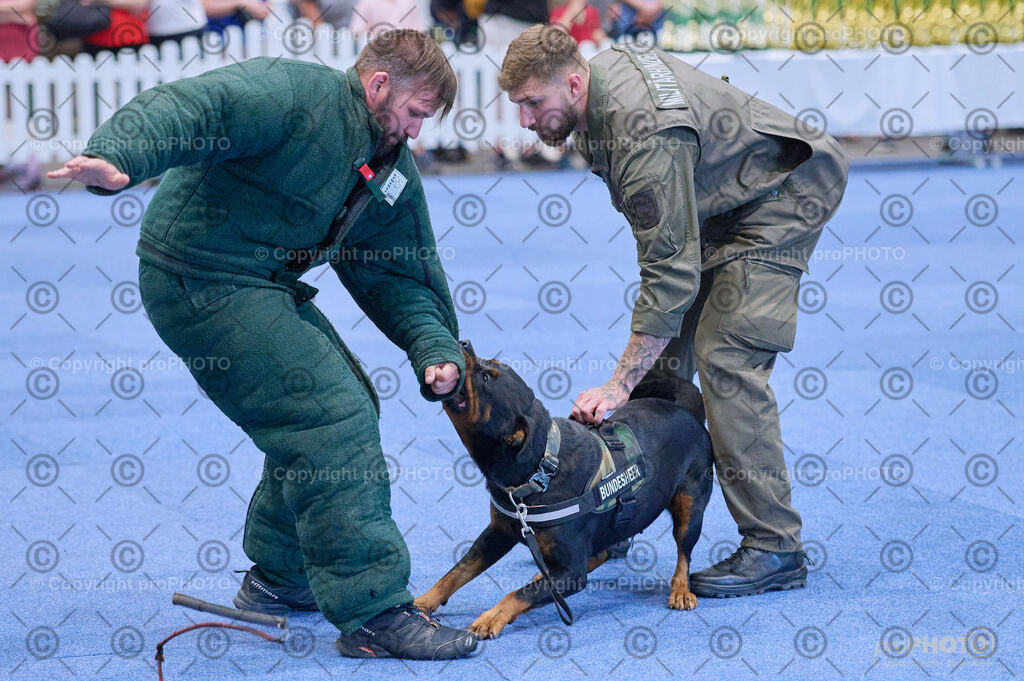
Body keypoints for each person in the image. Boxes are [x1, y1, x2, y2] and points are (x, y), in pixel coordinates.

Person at [48, 29, 479, 660]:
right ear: (379, 84)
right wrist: (121, 156)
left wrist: (433, 346)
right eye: (416, 113)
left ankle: (280, 579)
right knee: (330, 414)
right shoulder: (293, 95)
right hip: (195, 275)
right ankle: (374, 613)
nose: (417, 132)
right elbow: (199, 107)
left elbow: (397, 267)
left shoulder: (388, 161)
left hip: (260, 283)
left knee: (340, 404)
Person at [497, 25, 849, 598]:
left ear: (575, 81)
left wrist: (615, 387)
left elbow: (667, 272)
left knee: (726, 356)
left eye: (534, 103)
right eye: (517, 105)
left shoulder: (643, 135)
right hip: (724, 192)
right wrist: (638, 369)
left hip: (786, 191)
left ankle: (774, 545)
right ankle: (619, 510)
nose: (525, 121)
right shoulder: (595, 95)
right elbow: (671, 260)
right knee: (663, 364)